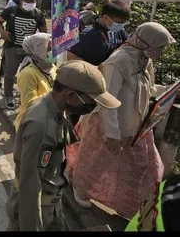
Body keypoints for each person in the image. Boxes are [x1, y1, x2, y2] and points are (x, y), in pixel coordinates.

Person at [65, 22, 176, 219]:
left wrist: (168, 91)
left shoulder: (144, 59)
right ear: (145, 41)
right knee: (94, 164)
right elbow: (108, 99)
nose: (160, 52)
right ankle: (79, 187)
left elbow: (147, 89)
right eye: (158, 46)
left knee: (148, 171)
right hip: (107, 126)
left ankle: (132, 206)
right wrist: (112, 134)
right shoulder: (118, 61)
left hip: (137, 128)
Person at [7, 61, 121, 231]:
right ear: (71, 95)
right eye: (91, 101)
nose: (93, 107)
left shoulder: (57, 109)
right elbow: (30, 183)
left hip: (51, 201)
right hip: (35, 206)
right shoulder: (40, 124)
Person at [0, 0, 47, 109]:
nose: (31, 2)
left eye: (33, 0)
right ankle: (8, 96)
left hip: (29, 51)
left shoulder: (38, 14)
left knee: (28, 75)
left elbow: (44, 33)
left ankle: (26, 97)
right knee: (10, 74)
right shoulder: (11, 11)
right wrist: (2, 32)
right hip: (12, 48)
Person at [67, 0, 130, 66]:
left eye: (124, 23)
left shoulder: (120, 31)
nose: (121, 25)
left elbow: (127, 44)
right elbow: (71, 56)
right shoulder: (88, 35)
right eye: (119, 22)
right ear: (105, 17)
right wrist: (93, 69)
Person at [14, 33, 56, 129]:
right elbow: (30, 105)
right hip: (33, 126)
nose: (53, 51)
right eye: (49, 48)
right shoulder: (28, 74)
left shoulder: (51, 66)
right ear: (38, 49)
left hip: (50, 122)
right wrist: (57, 95)